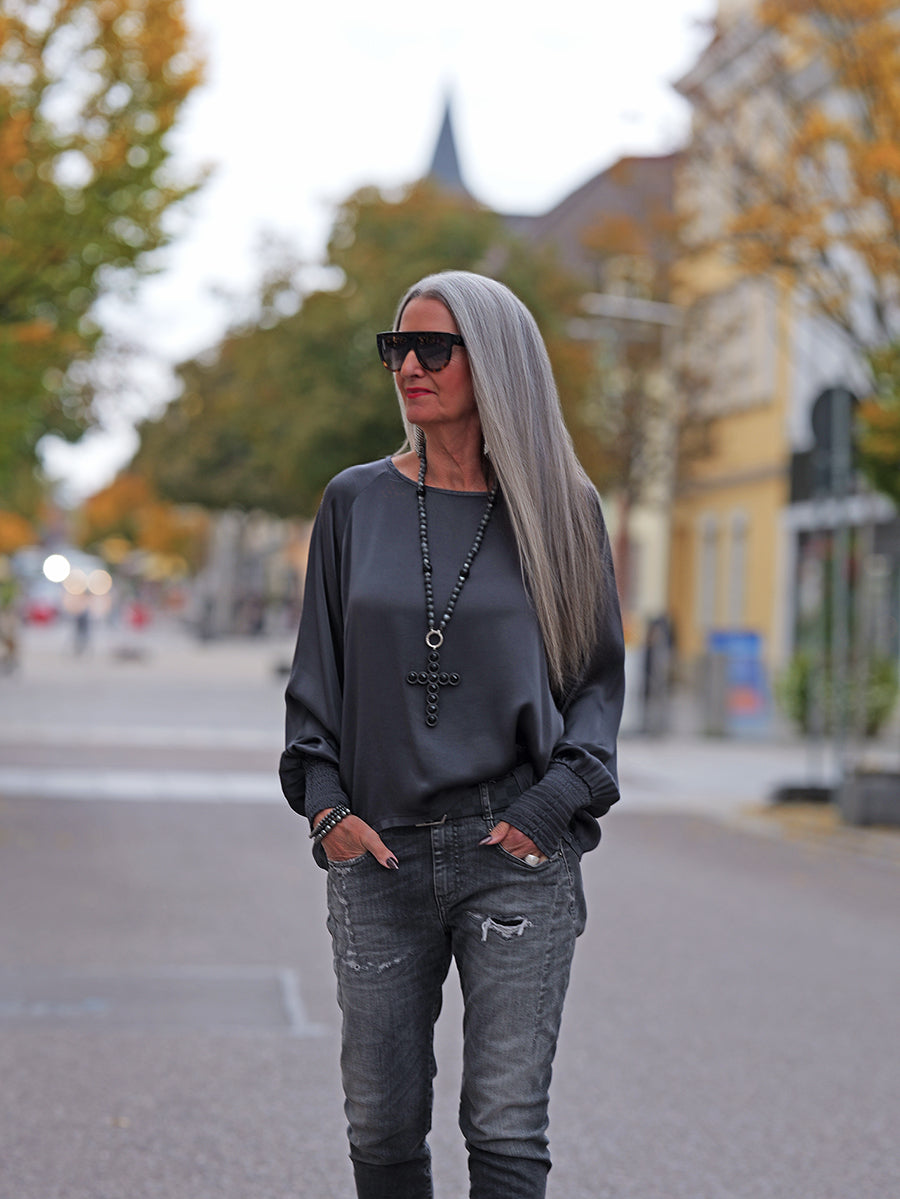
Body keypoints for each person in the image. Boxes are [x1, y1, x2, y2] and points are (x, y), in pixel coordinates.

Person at [280, 270, 625, 1199]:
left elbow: (596, 687)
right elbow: (315, 681)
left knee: (506, 1126)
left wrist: (550, 806)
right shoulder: (354, 502)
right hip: (377, 851)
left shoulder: (563, 510)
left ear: (497, 360)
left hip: (514, 851)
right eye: (398, 347)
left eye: (434, 347)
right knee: (382, 1123)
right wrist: (327, 811)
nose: (410, 367)